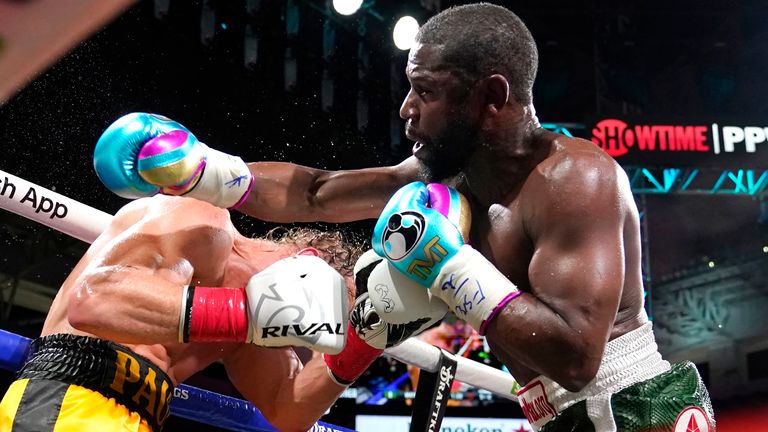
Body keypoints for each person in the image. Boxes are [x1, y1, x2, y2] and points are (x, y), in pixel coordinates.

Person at [92, 3, 715, 431]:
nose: (406, 108)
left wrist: (446, 266)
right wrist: (201, 171)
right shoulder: (447, 174)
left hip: (633, 408)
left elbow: (577, 356)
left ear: (492, 97)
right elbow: (315, 193)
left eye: (428, 90)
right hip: (559, 413)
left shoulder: (577, 180)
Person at [0, 194, 426, 432]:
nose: (303, 335)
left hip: (139, 416)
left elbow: (286, 409)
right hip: (71, 394)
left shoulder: (251, 328)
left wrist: (365, 340)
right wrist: (246, 311)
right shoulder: (203, 222)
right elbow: (93, 301)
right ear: (308, 262)